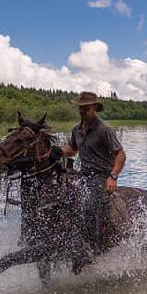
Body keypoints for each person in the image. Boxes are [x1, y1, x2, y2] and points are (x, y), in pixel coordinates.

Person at [62, 92, 126, 263]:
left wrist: (113, 177)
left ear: (95, 108)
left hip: (101, 176)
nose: (82, 110)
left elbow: (120, 155)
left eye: (86, 108)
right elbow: (71, 149)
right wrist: (54, 152)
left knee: (89, 206)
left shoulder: (104, 130)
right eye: (80, 107)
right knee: (64, 199)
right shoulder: (76, 130)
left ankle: (93, 248)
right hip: (83, 174)